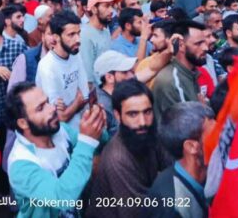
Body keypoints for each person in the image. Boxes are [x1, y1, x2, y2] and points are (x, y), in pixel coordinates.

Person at [6, 82, 106, 217]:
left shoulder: (60, 130)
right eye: (41, 108)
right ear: (23, 123)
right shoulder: (21, 164)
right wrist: (87, 140)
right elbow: (61, 197)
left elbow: (95, 143)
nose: (52, 108)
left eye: (47, 102)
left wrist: (97, 125)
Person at [88, 81, 168, 218]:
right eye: (133, 114)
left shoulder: (150, 134)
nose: (142, 122)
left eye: (147, 112)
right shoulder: (117, 159)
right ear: (118, 116)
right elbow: (140, 214)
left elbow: (173, 169)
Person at [147, 102, 214, 218]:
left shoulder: (209, 175)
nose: (223, 137)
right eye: (215, 133)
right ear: (192, 147)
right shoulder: (172, 206)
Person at [36, 10, 90, 129]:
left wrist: (70, 108)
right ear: (56, 37)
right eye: (71, 35)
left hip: (81, 124)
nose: (78, 40)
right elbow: (60, 117)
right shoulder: (47, 66)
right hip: (61, 132)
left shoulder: (75, 55)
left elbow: (85, 96)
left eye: (78, 33)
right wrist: (77, 102)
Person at [152, 20, 208, 122]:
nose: (206, 48)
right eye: (198, 43)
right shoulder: (172, 81)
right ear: (181, 45)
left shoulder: (190, 71)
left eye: (205, 42)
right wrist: (204, 110)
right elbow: (189, 126)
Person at [81, 0, 122, 84]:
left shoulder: (105, 30)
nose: (111, 10)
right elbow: (88, 78)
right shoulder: (85, 35)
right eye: (107, 6)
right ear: (94, 9)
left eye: (112, 6)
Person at [93, 51, 137, 136]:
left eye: (130, 71)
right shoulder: (103, 109)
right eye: (124, 72)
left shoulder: (118, 94)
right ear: (109, 77)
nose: (132, 76)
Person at [9, 23, 55, 89]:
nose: (53, 39)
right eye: (50, 34)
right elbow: (14, 92)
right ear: (43, 36)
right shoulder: (25, 58)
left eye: (57, 34)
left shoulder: (68, 57)